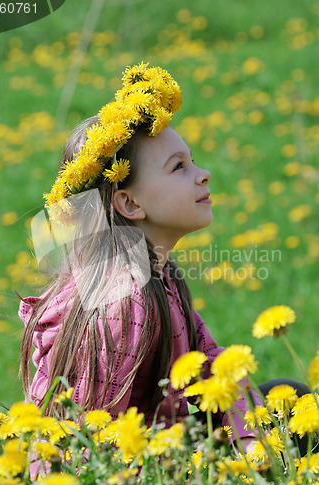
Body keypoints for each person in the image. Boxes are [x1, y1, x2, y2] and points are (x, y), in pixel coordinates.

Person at [17, 63, 278, 455]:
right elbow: (95, 445)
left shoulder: (160, 274)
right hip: (138, 475)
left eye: (192, 161)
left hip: (166, 450)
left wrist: (249, 438)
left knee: (281, 398)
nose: (204, 174)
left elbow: (211, 363)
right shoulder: (124, 304)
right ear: (130, 202)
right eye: (179, 167)